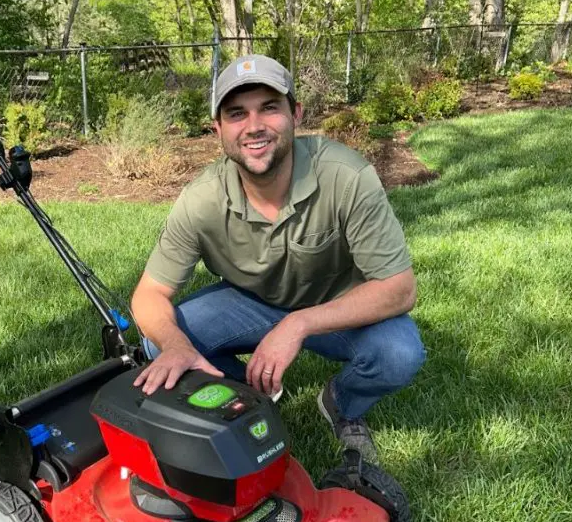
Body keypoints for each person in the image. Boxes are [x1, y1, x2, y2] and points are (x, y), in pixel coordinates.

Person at [128, 54, 425, 464]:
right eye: (237, 114)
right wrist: (177, 346)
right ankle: (247, 401)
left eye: (269, 107)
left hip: (334, 306)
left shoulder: (346, 176)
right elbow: (148, 296)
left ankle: (342, 403)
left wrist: (298, 323)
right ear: (218, 129)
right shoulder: (201, 200)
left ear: (295, 114)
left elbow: (399, 289)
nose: (254, 126)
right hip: (249, 303)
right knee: (158, 341)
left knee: (400, 354)